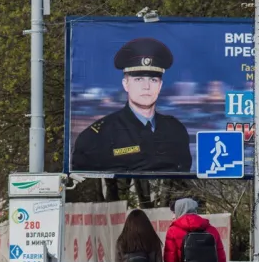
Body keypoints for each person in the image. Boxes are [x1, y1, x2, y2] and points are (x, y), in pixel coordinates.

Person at [71, 37, 192, 174]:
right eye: (138, 79)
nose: (146, 87)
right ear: (125, 84)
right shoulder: (97, 136)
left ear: (160, 85)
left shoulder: (176, 130)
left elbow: (184, 174)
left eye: (153, 80)